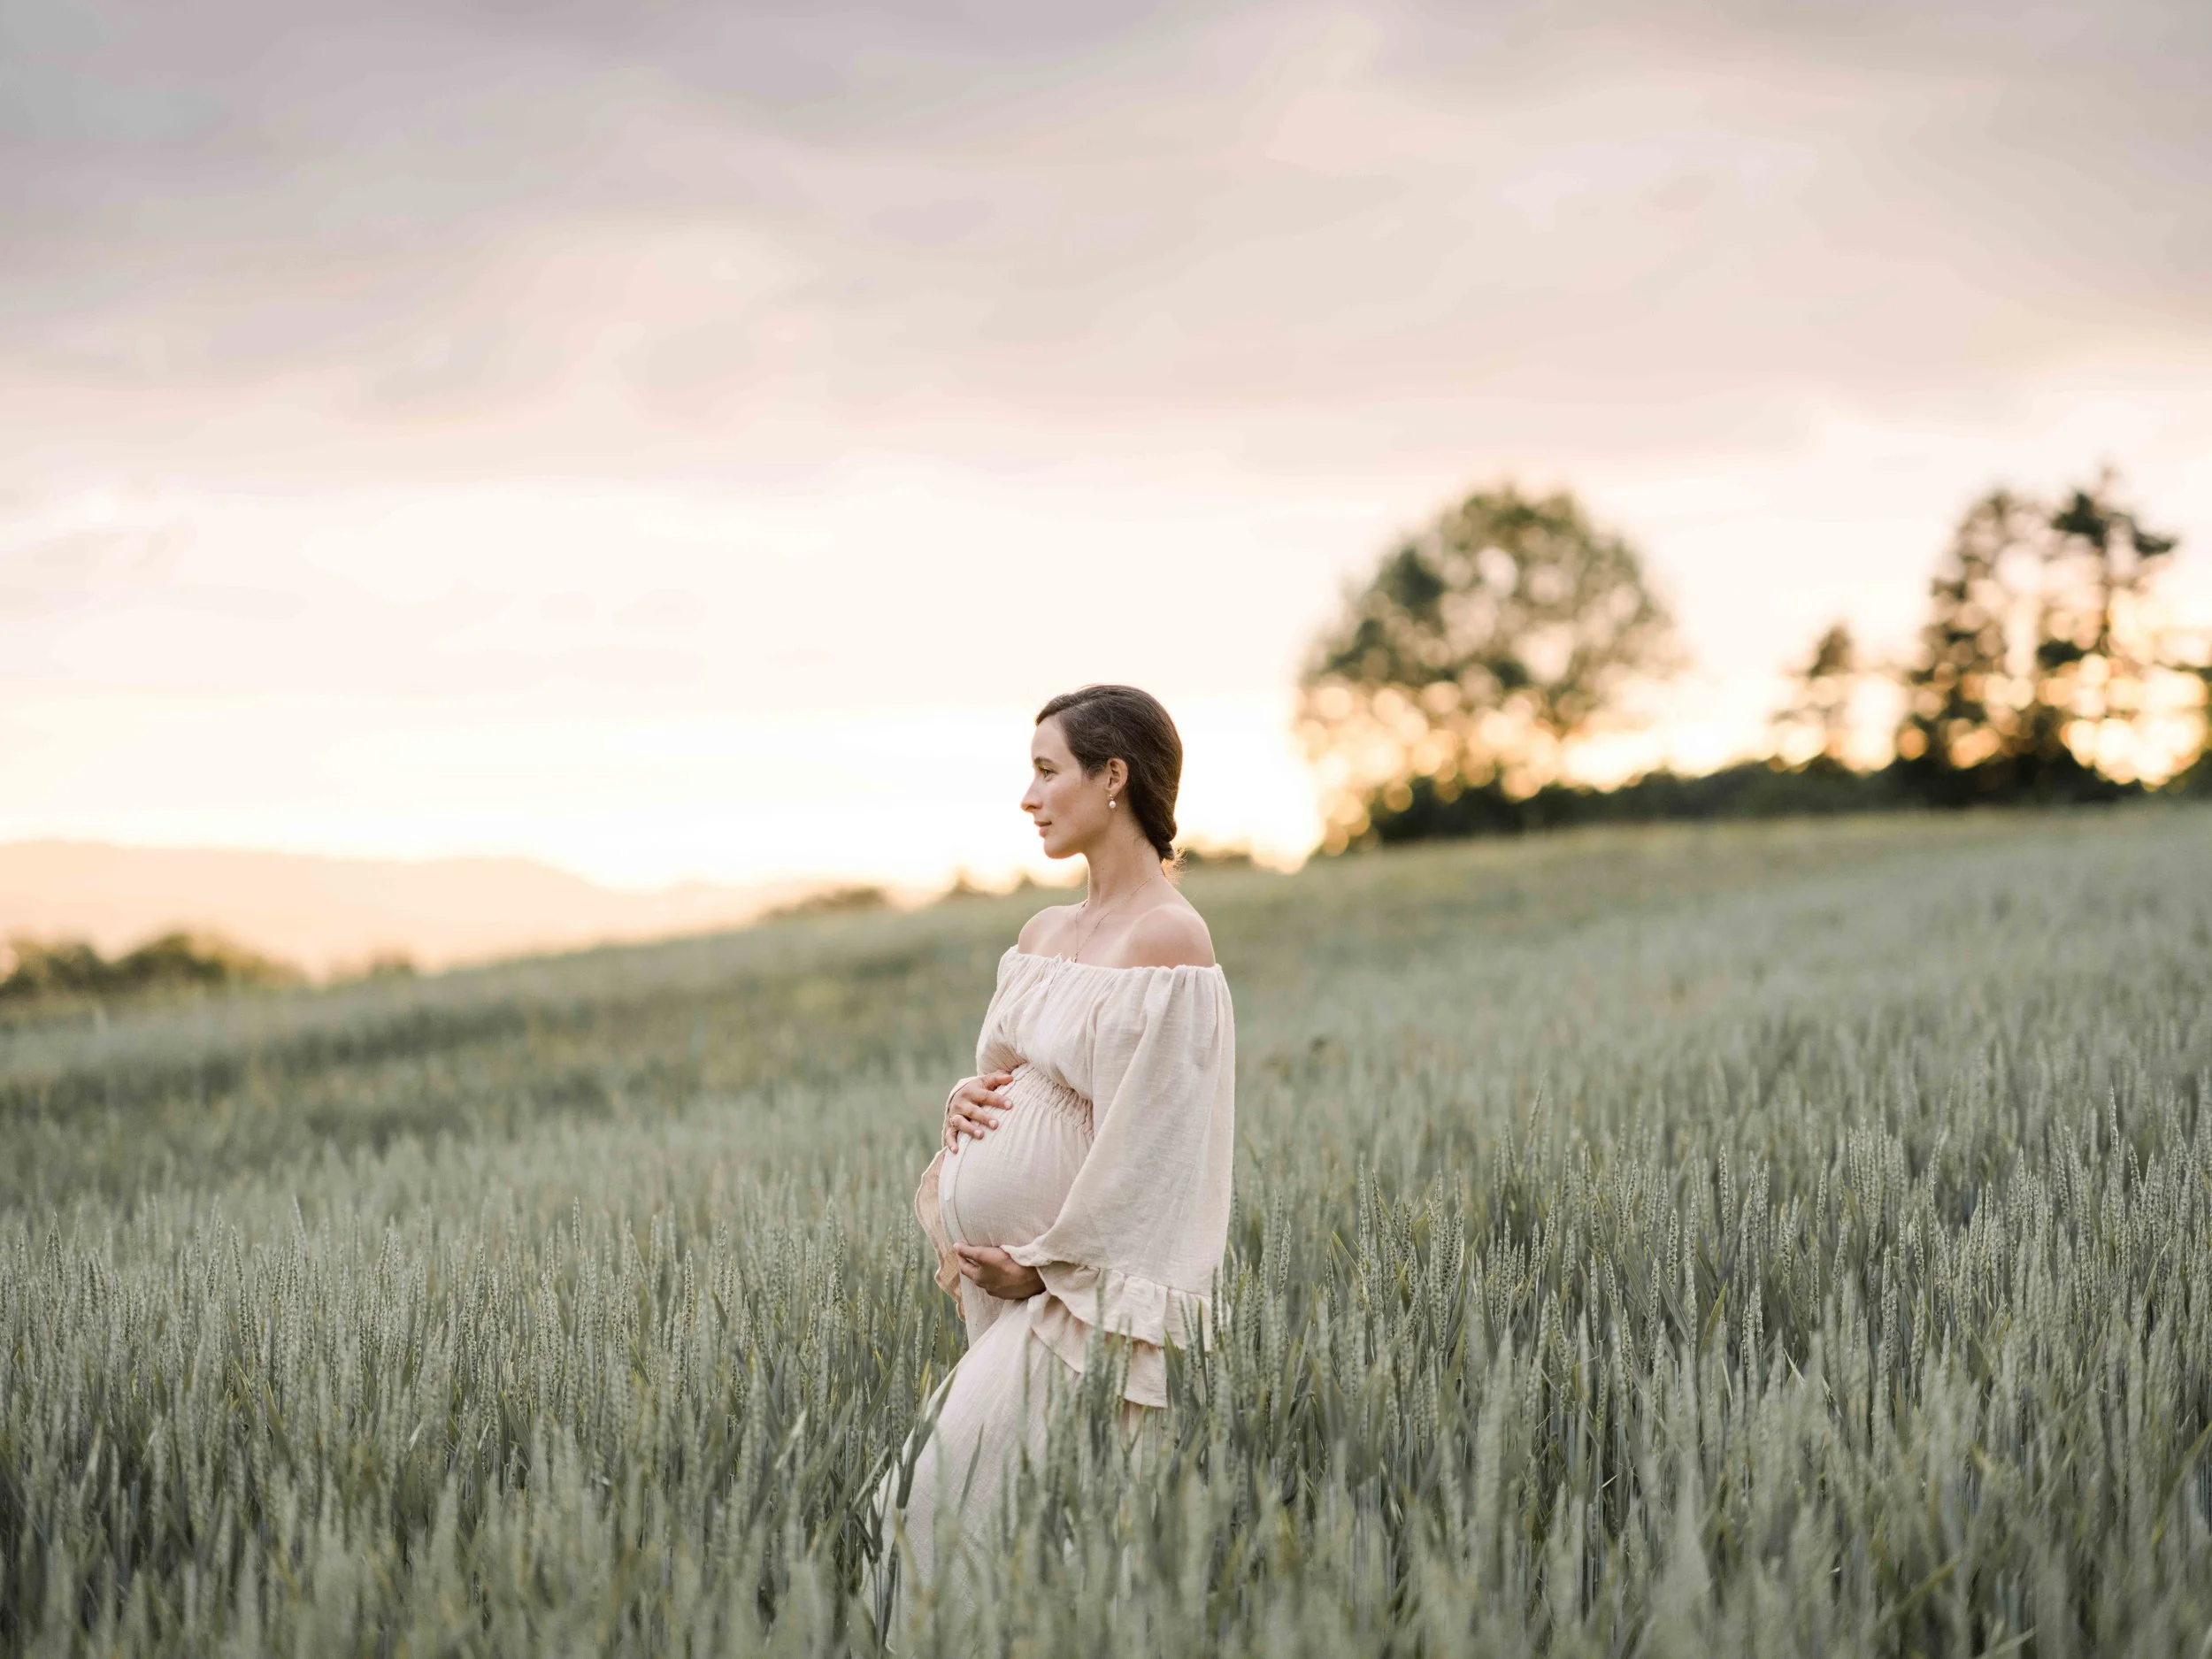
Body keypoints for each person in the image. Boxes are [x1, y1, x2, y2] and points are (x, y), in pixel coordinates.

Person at [874, 683, 1236, 1632]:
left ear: (1112, 777)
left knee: (934, 1507)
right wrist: (962, 1103)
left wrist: (1039, 1267)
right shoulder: (1042, 935)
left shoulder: (1168, 937)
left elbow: (1157, 1152)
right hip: (1009, 1295)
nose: (1028, 798)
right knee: (976, 1527)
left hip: (1083, 1306)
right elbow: (1002, 1083)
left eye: (1047, 772)